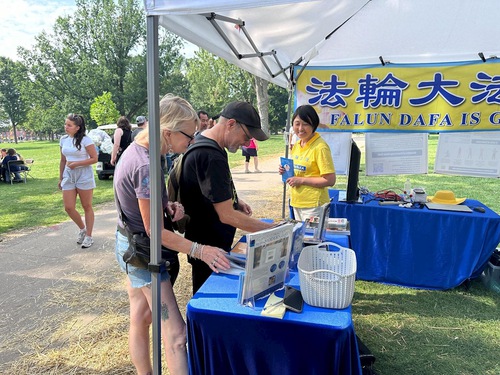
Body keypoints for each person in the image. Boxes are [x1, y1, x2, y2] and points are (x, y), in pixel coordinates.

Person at [113, 93, 230, 375]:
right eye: (189, 136)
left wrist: (167, 206)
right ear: (168, 132)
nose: (191, 142)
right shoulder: (146, 165)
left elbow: (147, 205)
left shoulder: (147, 152)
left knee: (140, 317)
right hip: (143, 254)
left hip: (130, 244)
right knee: (177, 335)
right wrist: (200, 249)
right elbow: (156, 231)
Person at [179, 101, 274, 294]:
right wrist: (270, 230)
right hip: (208, 248)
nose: (247, 144)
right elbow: (226, 216)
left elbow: (211, 189)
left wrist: (235, 200)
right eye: (246, 137)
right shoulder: (210, 155)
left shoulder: (207, 143)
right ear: (230, 124)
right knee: (208, 297)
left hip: (208, 243)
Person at [279, 105, 336, 221]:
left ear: (314, 125)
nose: (300, 128)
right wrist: (285, 170)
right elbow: (299, 171)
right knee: (300, 238)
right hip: (297, 202)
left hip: (314, 205)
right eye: (297, 123)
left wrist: (301, 180)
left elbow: (330, 180)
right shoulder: (297, 145)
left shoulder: (320, 147)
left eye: (305, 124)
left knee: (311, 238)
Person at [59, 113, 98, 248]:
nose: (66, 127)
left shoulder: (86, 140)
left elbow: (94, 158)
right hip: (68, 175)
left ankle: (89, 236)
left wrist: (77, 164)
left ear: (77, 127)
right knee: (69, 207)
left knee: (86, 206)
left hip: (84, 175)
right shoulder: (63, 140)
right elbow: (63, 160)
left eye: (69, 125)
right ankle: (82, 229)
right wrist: (61, 177)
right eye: (66, 124)